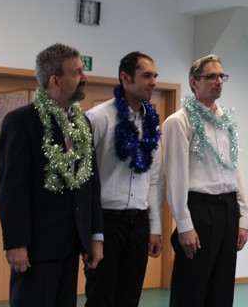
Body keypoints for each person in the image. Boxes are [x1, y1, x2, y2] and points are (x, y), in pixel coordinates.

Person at [0, 43, 104, 307]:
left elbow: (91, 184)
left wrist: (94, 237)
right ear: (55, 80)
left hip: (71, 244)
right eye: (77, 72)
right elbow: (12, 189)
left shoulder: (81, 123)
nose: (85, 78)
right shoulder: (21, 121)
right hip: (36, 248)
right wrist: (16, 243)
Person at [162, 54, 248, 307]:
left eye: (221, 76)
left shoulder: (226, 121)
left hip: (228, 209)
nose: (218, 81)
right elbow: (176, 177)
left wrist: (244, 217)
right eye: (211, 76)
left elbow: (235, 170)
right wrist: (184, 225)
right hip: (200, 210)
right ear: (194, 82)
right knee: (191, 290)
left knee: (221, 291)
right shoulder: (179, 122)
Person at [84, 51, 163, 307]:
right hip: (105, 222)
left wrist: (155, 228)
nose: (153, 82)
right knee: (101, 298)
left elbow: (153, 179)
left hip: (138, 224)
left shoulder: (152, 124)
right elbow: (83, 178)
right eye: (146, 76)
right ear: (125, 78)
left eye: (155, 76)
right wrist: (91, 232)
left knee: (130, 298)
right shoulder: (98, 118)